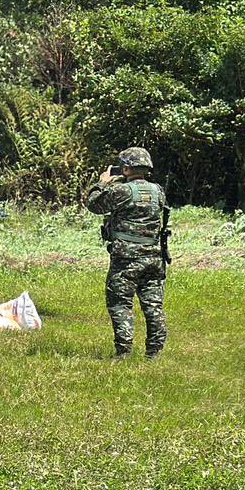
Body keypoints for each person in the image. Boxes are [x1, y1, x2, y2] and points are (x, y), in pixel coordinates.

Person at [84, 147, 170, 360]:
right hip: (154, 258)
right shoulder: (158, 190)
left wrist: (102, 182)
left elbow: (93, 204)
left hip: (126, 259)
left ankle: (123, 352)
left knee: (120, 304)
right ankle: (154, 353)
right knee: (153, 305)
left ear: (127, 168)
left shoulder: (122, 191)